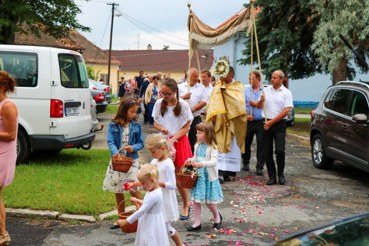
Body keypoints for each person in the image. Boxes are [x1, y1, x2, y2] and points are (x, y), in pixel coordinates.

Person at [152, 78, 193, 220]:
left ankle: (186, 204)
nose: (164, 96)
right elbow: (155, 123)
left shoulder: (183, 105)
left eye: (167, 93)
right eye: (162, 93)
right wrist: (162, 128)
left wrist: (173, 139)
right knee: (162, 173)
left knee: (178, 176)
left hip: (179, 141)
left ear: (175, 92)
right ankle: (163, 206)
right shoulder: (158, 103)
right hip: (163, 141)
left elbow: (186, 127)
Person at [102, 95, 144, 229]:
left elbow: (141, 143)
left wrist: (134, 147)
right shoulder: (113, 125)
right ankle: (121, 217)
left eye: (135, 111)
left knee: (133, 188)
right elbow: (110, 141)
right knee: (118, 189)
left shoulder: (136, 125)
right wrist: (116, 154)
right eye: (131, 111)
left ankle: (140, 216)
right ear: (123, 110)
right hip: (117, 162)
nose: (133, 114)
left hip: (132, 161)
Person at [206, 66, 247, 182]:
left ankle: (228, 172)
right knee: (219, 146)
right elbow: (212, 102)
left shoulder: (238, 86)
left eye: (226, 74)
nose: (223, 77)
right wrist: (219, 91)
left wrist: (226, 94)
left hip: (233, 120)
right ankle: (218, 173)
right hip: (220, 120)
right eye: (222, 75)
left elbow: (239, 103)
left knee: (232, 147)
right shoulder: (217, 86)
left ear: (231, 75)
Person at [145, 134, 183, 246]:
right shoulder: (153, 162)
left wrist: (157, 183)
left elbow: (173, 185)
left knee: (166, 227)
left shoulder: (168, 164)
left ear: (162, 148)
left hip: (165, 199)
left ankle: (180, 244)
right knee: (154, 225)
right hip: (154, 197)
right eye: (150, 152)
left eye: (153, 152)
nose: (152, 154)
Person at [117, 164, 170, 246]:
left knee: (150, 240)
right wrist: (138, 200)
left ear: (152, 180)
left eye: (144, 183)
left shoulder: (153, 194)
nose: (142, 186)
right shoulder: (154, 190)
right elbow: (149, 204)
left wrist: (126, 221)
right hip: (153, 219)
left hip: (151, 222)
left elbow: (141, 211)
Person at [184, 122, 223, 231]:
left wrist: (203, 164)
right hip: (199, 177)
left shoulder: (212, 147)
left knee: (209, 201)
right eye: (197, 132)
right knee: (196, 200)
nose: (196, 135)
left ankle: (217, 217)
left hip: (208, 177)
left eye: (199, 133)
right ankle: (197, 223)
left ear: (207, 134)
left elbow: (214, 161)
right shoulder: (197, 145)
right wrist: (190, 160)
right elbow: (195, 158)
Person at [257, 70, 293, 185]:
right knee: (267, 151)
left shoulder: (286, 93)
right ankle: (272, 176)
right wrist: (260, 101)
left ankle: (281, 174)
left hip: (279, 124)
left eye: (275, 78)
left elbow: (286, 111)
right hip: (266, 122)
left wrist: (271, 122)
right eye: (272, 77)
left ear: (281, 79)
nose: (272, 79)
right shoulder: (265, 90)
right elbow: (258, 106)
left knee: (279, 150)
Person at [0, 71, 18, 246]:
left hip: (3, 155)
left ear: (2, 86)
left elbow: (11, 134)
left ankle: (3, 235)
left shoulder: (7, 105)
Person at [179, 68, 208, 152]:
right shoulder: (180, 87)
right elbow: (174, 99)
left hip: (195, 118)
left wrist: (192, 109)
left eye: (197, 76)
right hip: (182, 118)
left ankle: (192, 161)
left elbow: (204, 101)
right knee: (182, 140)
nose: (197, 78)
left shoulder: (201, 87)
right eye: (194, 76)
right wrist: (184, 97)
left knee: (195, 140)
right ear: (188, 76)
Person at [242, 71, 264, 175]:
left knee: (261, 143)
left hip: (260, 121)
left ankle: (260, 165)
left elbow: (264, 104)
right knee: (246, 142)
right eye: (249, 78)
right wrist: (246, 116)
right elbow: (241, 106)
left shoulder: (264, 91)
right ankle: (245, 162)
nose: (250, 80)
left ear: (258, 79)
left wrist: (255, 103)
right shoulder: (245, 91)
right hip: (249, 120)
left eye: (253, 78)